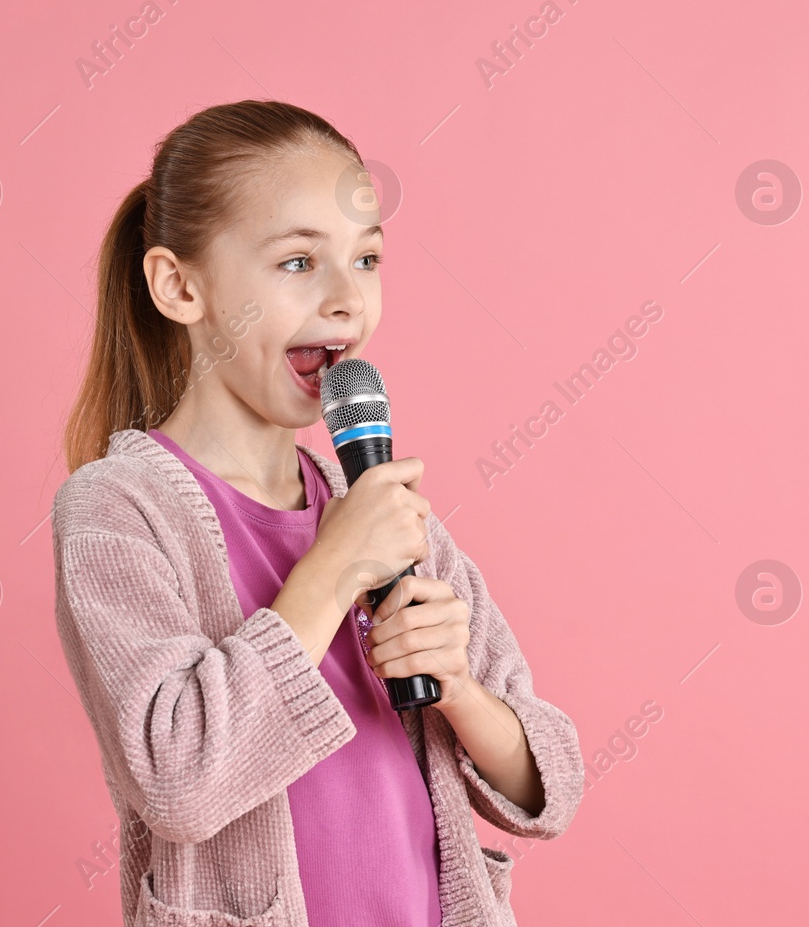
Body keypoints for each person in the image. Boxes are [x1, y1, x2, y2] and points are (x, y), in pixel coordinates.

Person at [50, 99, 582, 926]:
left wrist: (460, 690)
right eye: (299, 263)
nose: (346, 299)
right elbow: (180, 778)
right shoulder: (120, 510)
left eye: (366, 259)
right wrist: (328, 573)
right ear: (180, 285)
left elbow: (545, 790)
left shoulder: (387, 513)